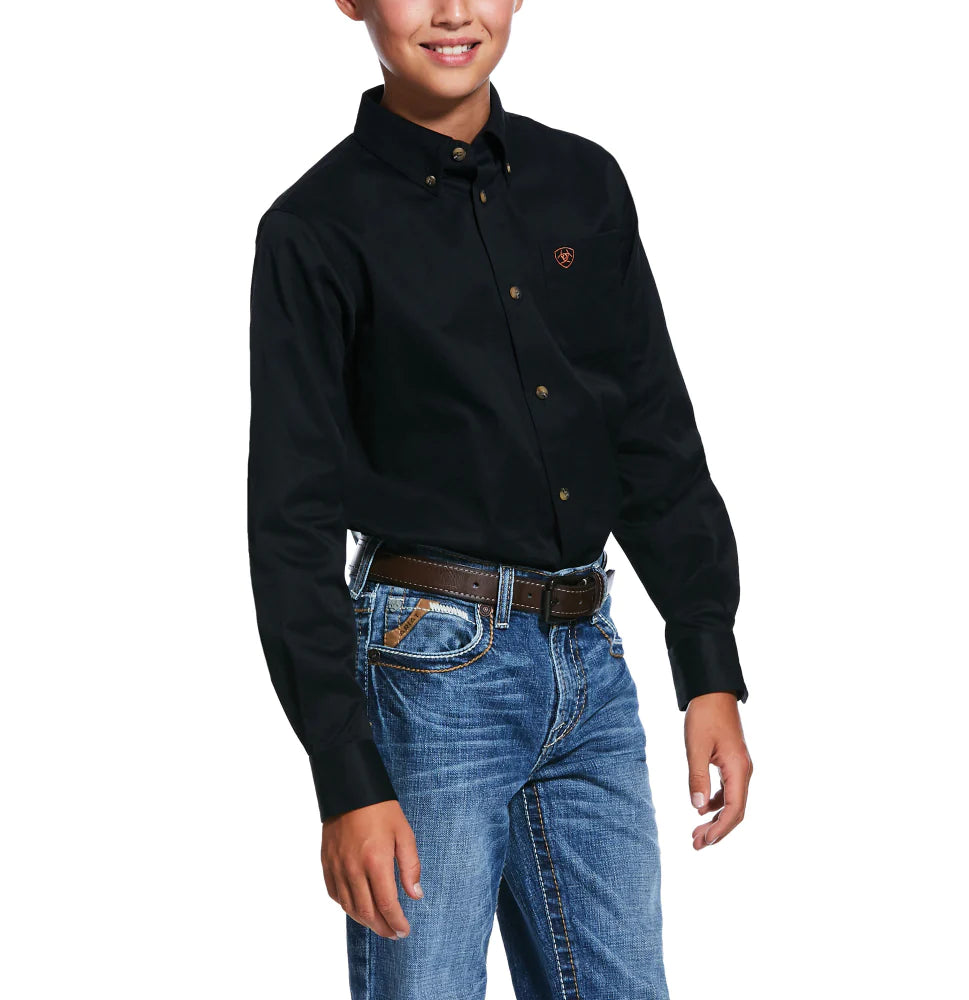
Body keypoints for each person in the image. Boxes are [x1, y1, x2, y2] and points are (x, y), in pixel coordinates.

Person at [247, 1, 753, 995]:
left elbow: (649, 428)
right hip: (429, 674)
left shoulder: (583, 183)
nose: (452, 11)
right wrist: (345, 773)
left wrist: (707, 664)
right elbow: (292, 514)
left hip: (590, 659)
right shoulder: (317, 226)